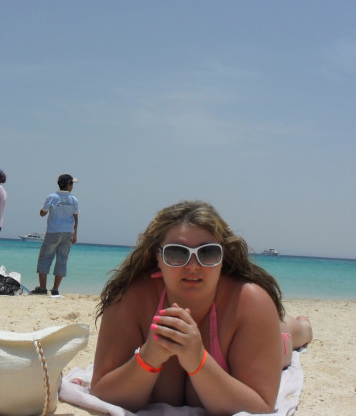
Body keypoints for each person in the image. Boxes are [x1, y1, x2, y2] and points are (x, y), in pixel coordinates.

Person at [90, 200, 313, 414]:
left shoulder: (249, 301)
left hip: (275, 337)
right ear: (158, 257)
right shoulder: (131, 298)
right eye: (177, 253)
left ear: (223, 257)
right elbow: (101, 390)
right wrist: (148, 358)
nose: (193, 266)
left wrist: (198, 360)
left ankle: (303, 326)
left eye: (208, 252)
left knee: (289, 332)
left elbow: (261, 405)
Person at [32, 173, 79, 296]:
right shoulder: (74, 200)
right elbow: (76, 217)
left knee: (45, 257)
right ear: (69, 185)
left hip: (53, 231)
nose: (72, 186)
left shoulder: (52, 197)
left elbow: (42, 213)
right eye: (72, 184)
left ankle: (43, 288)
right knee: (62, 259)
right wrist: (75, 234)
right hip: (68, 232)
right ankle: (55, 289)